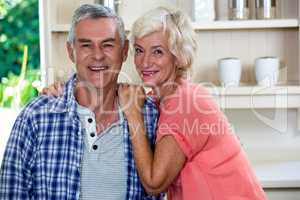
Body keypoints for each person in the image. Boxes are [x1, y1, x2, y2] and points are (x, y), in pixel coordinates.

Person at [0, 4, 163, 200]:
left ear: (125, 50)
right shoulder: (36, 118)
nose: (97, 55)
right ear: (71, 51)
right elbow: (10, 193)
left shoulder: (151, 116)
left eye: (108, 44)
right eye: (86, 45)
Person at [117, 7, 267, 200]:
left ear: (178, 57)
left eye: (157, 52)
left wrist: (133, 114)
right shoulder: (166, 98)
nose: (144, 62)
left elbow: (154, 183)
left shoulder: (185, 102)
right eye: (139, 50)